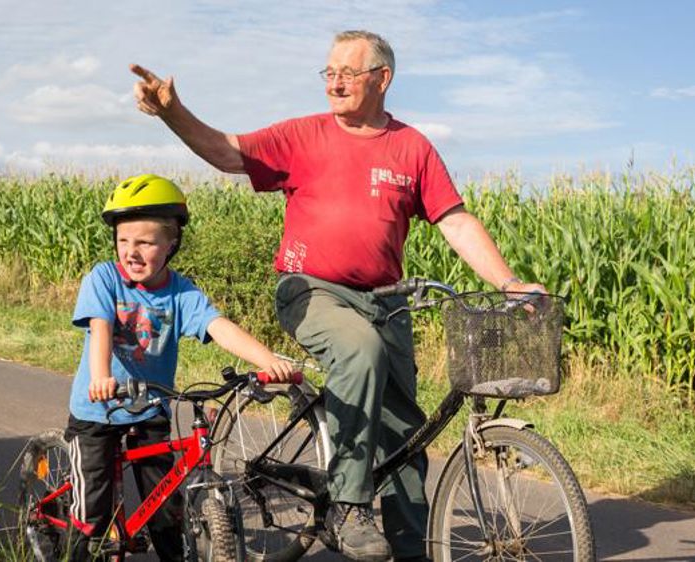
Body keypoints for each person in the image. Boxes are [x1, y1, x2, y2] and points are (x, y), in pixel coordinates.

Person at [130, 30, 546, 562]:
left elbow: (454, 219)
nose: (334, 83)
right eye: (328, 73)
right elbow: (226, 152)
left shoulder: (411, 147)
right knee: (359, 352)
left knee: (404, 436)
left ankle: (410, 549)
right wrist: (173, 112)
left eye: (346, 73)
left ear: (382, 79)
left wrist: (507, 281)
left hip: (388, 300)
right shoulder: (304, 135)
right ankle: (351, 504)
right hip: (311, 289)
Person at [65, 173, 294, 562]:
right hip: (97, 409)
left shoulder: (180, 291)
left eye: (145, 242)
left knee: (166, 509)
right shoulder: (104, 278)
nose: (131, 252)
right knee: (92, 510)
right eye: (123, 241)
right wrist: (101, 376)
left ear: (170, 245)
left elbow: (218, 327)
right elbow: (101, 328)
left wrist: (268, 359)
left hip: (150, 406)